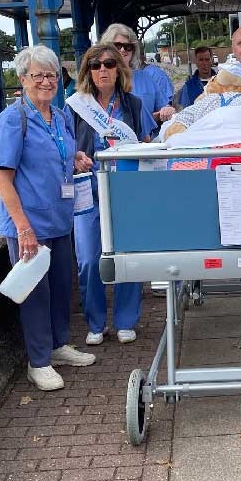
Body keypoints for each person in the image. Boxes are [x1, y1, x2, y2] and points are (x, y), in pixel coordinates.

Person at [0, 45, 96, 391]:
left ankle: (59, 344)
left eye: (52, 75)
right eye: (38, 75)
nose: (46, 82)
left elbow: (56, 155)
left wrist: (74, 158)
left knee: (62, 287)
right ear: (22, 80)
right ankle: (39, 362)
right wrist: (23, 228)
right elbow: (1, 178)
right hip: (28, 223)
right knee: (35, 294)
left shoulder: (59, 116)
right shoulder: (12, 120)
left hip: (60, 219)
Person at [66, 42, 155, 347]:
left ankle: (126, 319)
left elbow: (145, 141)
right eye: (95, 65)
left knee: (128, 254)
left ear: (119, 69)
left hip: (126, 188)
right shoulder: (75, 105)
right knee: (89, 258)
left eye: (108, 64)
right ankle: (95, 321)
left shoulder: (134, 104)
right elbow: (67, 145)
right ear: (87, 72)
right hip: (88, 190)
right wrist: (76, 154)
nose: (102, 70)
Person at [100, 23, 176, 126]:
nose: (123, 50)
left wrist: (168, 110)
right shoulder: (98, 79)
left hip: (146, 140)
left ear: (133, 50)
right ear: (107, 48)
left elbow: (164, 107)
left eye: (128, 46)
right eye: (117, 46)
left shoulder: (146, 78)